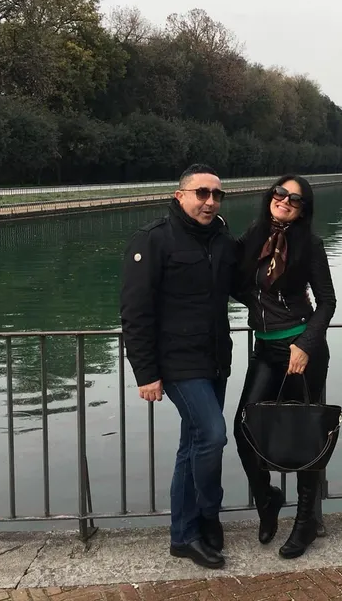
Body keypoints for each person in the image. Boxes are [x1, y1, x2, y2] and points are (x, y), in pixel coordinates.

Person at [119, 164, 237, 570]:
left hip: (216, 359)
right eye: (201, 193)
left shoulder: (221, 239)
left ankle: (183, 535)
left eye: (216, 195)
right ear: (179, 196)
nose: (209, 201)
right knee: (213, 435)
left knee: (192, 446)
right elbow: (135, 312)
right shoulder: (153, 240)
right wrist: (145, 372)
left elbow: (243, 285)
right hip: (177, 363)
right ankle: (205, 514)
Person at [233, 174, 337, 559]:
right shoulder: (253, 235)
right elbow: (232, 274)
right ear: (270, 196)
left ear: (303, 209)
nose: (285, 200)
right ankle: (268, 498)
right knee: (244, 427)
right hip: (265, 349)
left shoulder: (310, 244)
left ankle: (306, 520)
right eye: (281, 193)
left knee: (305, 435)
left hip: (301, 352)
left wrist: (305, 344)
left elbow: (327, 301)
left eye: (295, 199)